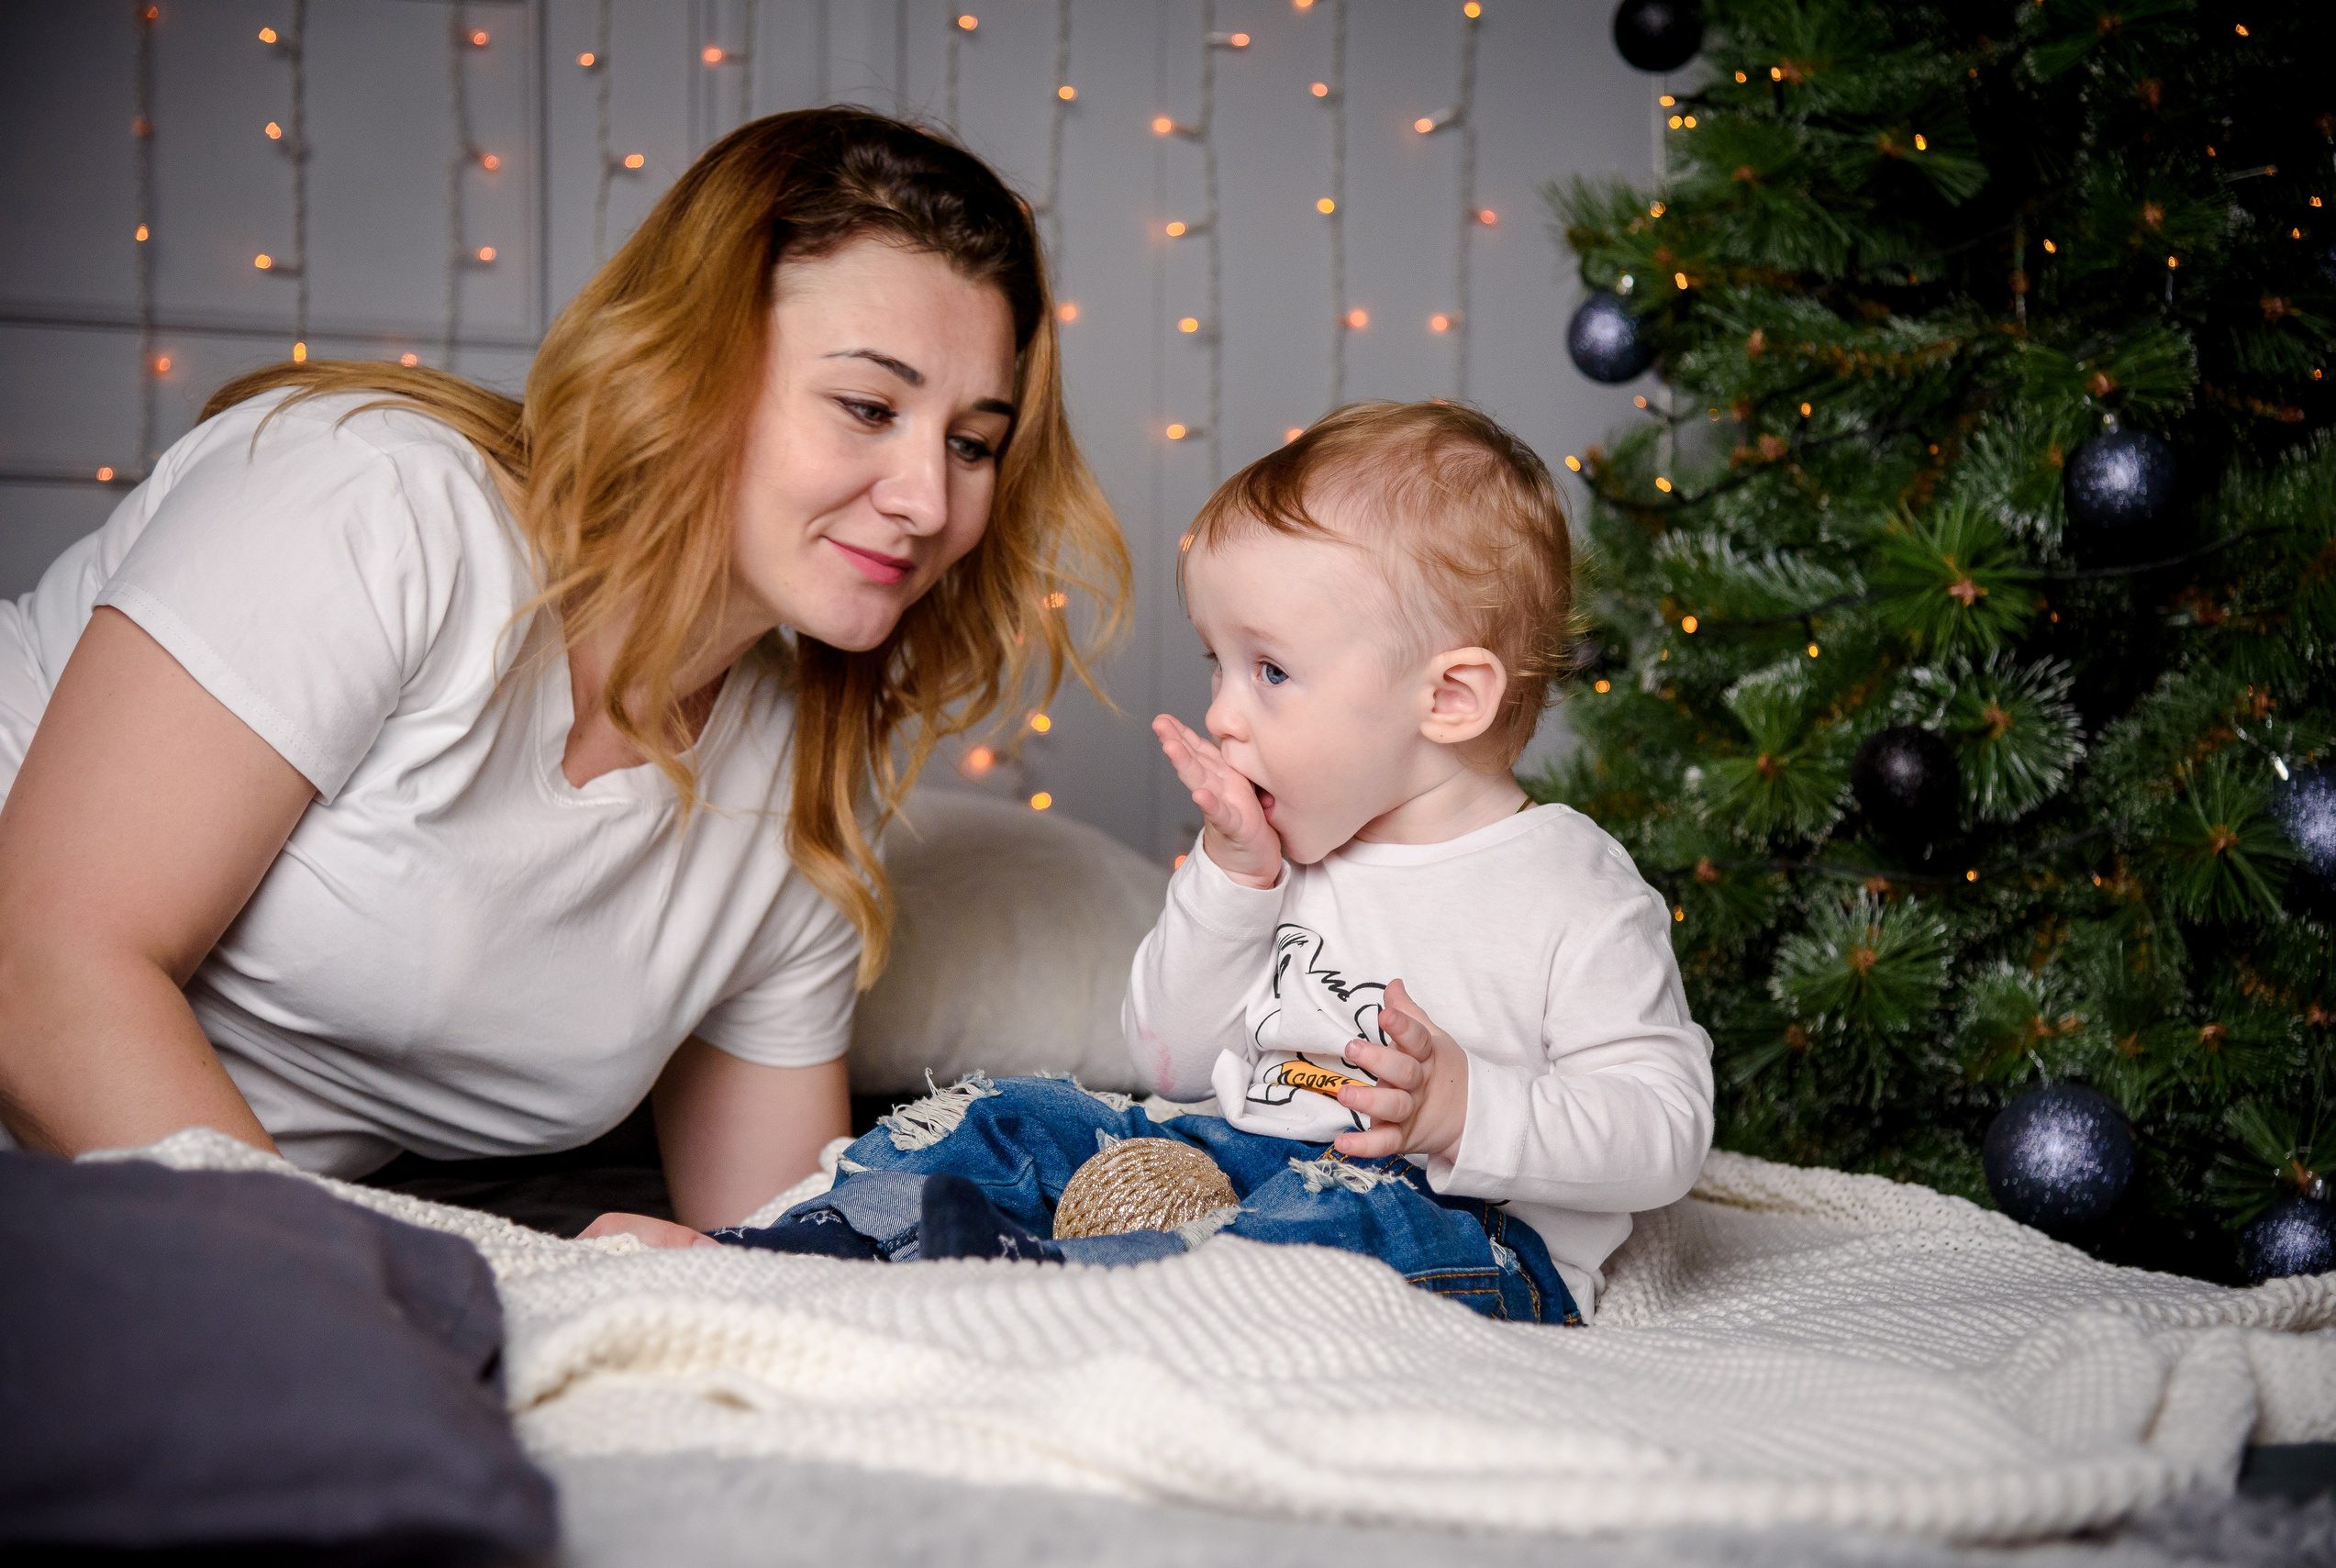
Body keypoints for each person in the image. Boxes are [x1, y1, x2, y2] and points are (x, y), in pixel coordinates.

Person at [0, 108, 1127, 1233]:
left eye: (972, 441)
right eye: (868, 407)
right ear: (692, 365)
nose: (928, 499)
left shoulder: (795, 791)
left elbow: (777, 1240)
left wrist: (672, 1281)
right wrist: (341, 1292)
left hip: (189, 1233)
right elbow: (42, 970)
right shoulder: (376, 501)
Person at [701, 401, 1713, 1321]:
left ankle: (1048, 1293)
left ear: (1448, 699)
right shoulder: (1281, 849)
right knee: (1017, 1111)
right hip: (1235, 1157)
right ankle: (828, 1243)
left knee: (1331, 1218)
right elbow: (1168, 1063)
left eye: (1270, 670)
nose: (1223, 713)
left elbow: (1664, 1129)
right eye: (1216, 665)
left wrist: (1465, 1110)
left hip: (1465, 1225)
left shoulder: (1569, 887)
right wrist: (1231, 881)